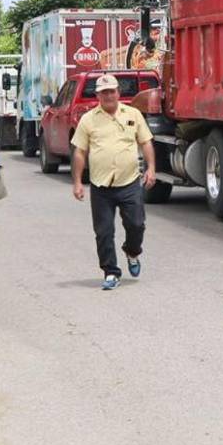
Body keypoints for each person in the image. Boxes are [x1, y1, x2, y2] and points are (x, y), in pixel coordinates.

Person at [70, 73, 157, 290]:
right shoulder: (88, 119)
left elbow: (145, 143)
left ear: (118, 92)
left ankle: (132, 251)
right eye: (104, 92)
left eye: (112, 91)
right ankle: (111, 271)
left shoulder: (133, 114)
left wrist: (151, 169)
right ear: (97, 95)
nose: (108, 95)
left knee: (136, 225)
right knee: (104, 232)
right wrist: (78, 182)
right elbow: (80, 152)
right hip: (101, 186)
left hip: (129, 183)